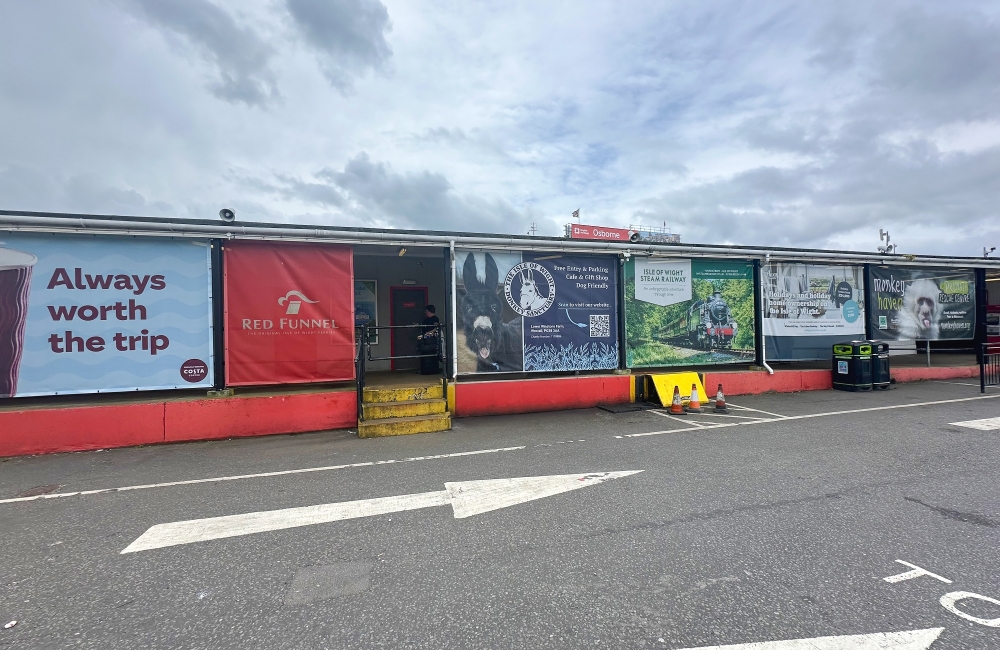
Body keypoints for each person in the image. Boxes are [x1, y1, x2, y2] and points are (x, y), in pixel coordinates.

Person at [417, 305, 441, 375]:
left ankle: (432, 370)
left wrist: (429, 333)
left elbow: (436, 328)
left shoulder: (435, 319)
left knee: (431, 354)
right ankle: (424, 370)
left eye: (426, 311)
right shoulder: (426, 320)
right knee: (423, 353)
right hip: (424, 338)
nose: (425, 313)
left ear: (429, 311)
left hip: (431, 339)